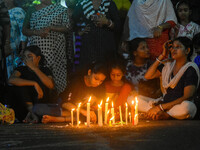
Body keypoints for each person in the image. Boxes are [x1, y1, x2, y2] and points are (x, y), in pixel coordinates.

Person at [135, 37, 199, 120]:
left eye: (178, 47)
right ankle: (158, 113)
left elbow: (187, 96)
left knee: (188, 107)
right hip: (164, 102)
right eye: (172, 47)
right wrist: (162, 55)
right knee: (133, 99)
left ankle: (164, 114)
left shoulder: (190, 69)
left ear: (187, 51)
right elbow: (148, 76)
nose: (173, 50)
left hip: (178, 106)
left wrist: (160, 108)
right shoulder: (168, 65)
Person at [22, 0, 72, 93]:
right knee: (38, 71)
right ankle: (36, 94)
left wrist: (51, 28)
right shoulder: (32, 9)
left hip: (56, 48)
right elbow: (24, 30)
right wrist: (36, 32)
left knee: (56, 73)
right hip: (36, 50)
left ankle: (55, 98)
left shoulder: (60, 9)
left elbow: (67, 27)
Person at [40, 62, 107, 123]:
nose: (98, 83)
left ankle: (56, 118)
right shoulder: (76, 82)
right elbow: (65, 103)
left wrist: (94, 107)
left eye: (101, 81)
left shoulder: (100, 87)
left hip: (81, 112)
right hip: (66, 107)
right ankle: (56, 118)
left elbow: (100, 104)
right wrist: (82, 111)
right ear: (89, 72)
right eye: (96, 79)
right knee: (39, 109)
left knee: (101, 115)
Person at [8, 45, 54, 123]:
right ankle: (32, 113)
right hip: (23, 105)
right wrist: (34, 83)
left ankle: (31, 114)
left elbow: (50, 85)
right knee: (21, 86)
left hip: (40, 104)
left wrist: (35, 68)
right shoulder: (21, 69)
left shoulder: (45, 70)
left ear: (38, 58)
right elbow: (11, 80)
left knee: (42, 85)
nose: (27, 59)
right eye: (25, 57)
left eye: (29, 56)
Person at [72, 0, 121, 69]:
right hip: (89, 47)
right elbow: (72, 21)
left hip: (106, 47)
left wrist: (107, 22)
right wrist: (80, 31)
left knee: (106, 71)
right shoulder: (83, 4)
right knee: (88, 71)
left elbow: (118, 26)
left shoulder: (109, 4)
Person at [3, 0, 27, 78]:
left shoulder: (18, 11)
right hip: (3, 50)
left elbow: (23, 31)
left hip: (13, 50)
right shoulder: (2, 13)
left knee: (13, 74)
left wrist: (23, 49)